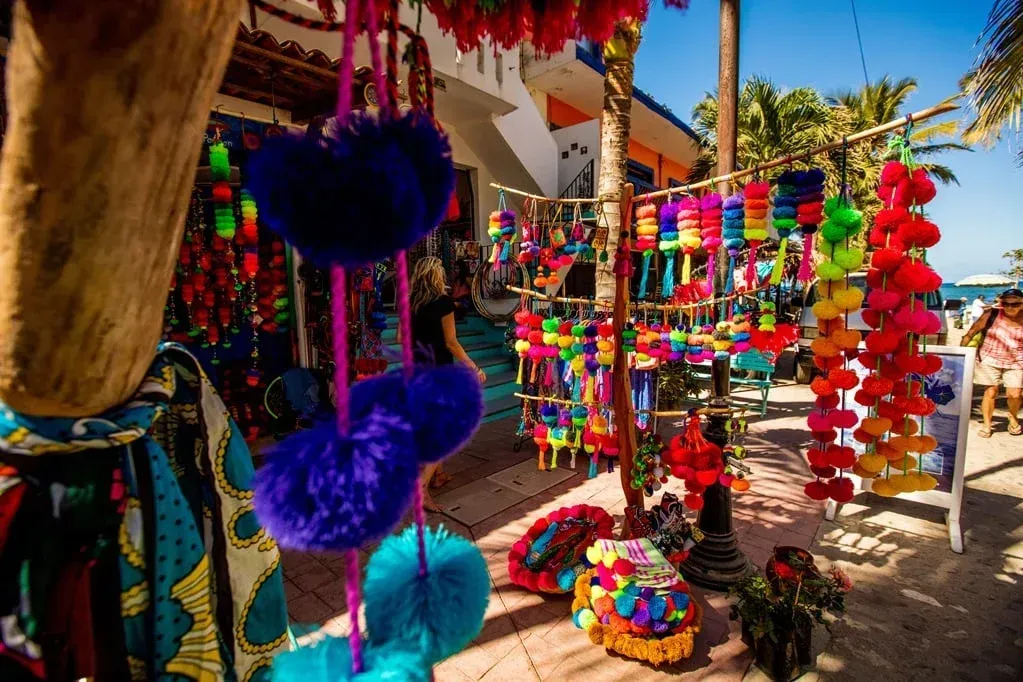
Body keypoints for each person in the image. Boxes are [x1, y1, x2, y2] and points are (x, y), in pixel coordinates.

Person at [408, 256, 486, 510]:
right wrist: (473, 366)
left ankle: (437, 475)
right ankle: (421, 488)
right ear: (435, 277)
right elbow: (451, 342)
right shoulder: (443, 303)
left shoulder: (410, 304)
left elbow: (401, 337)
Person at [962, 288, 1023, 437]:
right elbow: (972, 331)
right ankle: (987, 425)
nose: (1010, 307)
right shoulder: (992, 313)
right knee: (991, 391)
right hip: (989, 357)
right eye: (1006, 303)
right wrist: (962, 351)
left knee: (1015, 394)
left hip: (1017, 360)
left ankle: (1012, 417)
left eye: (1015, 304)